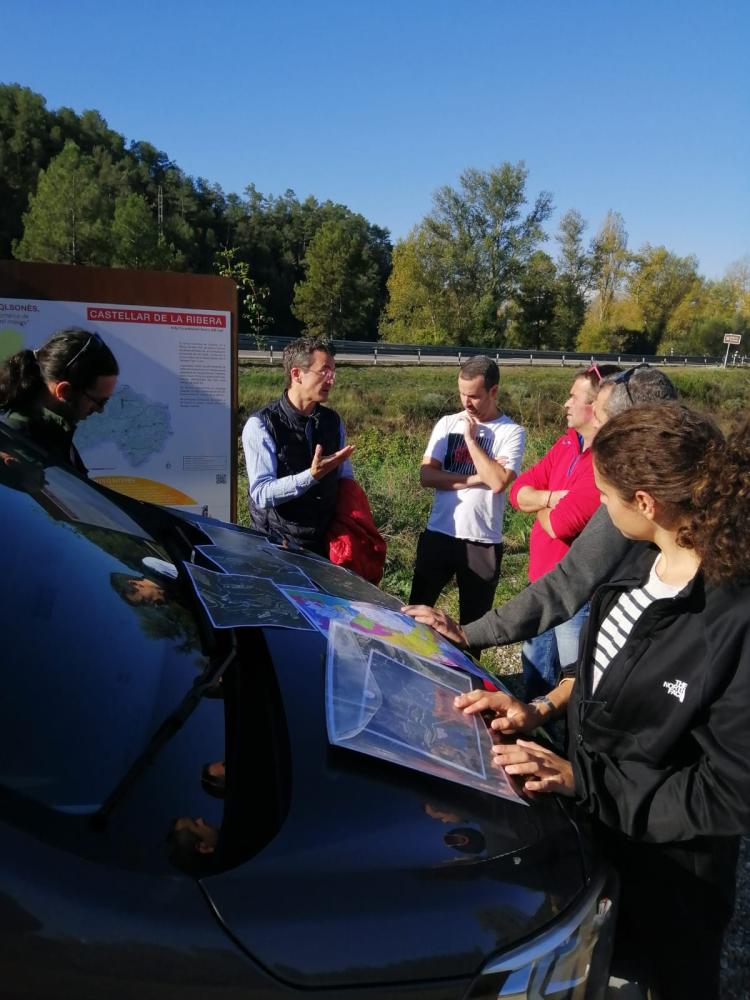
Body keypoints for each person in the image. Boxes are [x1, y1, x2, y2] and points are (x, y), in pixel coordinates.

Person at [455, 403, 750, 999]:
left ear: (645, 502)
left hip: (672, 878)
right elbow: (606, 674)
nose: (600, 510)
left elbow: (731, 790)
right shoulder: (641, 563)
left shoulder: (732, 618)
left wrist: (587, 783)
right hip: (601, 834)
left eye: (605, 496)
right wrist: (540, 709)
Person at [404, 365, 678, 657]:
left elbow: (559, 524)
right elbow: (567, 579)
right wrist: (469, 634)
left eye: (601, 421)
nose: (597, 443)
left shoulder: (711, 565)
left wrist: (540, 504)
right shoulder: (578, 454)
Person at [508, 365, 620, 697]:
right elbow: (518, 490)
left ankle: (569, 745)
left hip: (575, 594)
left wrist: (538, 505)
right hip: (541, 582)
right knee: (534, 676)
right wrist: (552, 498)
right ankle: (533, 737)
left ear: (596, 406)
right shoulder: (567, 444)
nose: (566, 404)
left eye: (574, 397)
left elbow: (561, 525)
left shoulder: (604, 462)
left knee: (575, 683)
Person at [407, 356, 525, 632]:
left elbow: (497, 482)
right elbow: (427, 476)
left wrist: (471, 440)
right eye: (461, 393)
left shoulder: (512, 432)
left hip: (482, 541)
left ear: (493, 391)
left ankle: (467, 674)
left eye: (473, 396)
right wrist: (473, 478)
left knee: (473, 627)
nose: (465, 403)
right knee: (416, 612)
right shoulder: (448, 423)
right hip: (440, 532)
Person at [242, 336, 355, 557]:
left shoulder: (332, 421)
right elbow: (261, 493)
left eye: (333, 372)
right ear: (296, 374)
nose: (331, 380)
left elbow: (345, 478)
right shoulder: (261, 425)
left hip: (326, 545)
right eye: (324, 371)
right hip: (278, 547)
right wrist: (311, 476)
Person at [0, 328, 119, 475]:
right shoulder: (17, 443)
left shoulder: (54, 432)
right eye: (99, 401)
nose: (100, 410)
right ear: (64, 391)